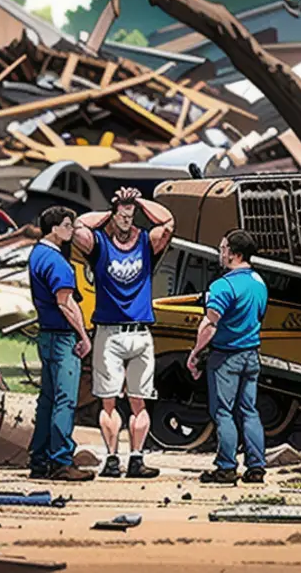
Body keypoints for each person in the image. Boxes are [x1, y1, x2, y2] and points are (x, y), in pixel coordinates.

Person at [73, 186, 175, 479]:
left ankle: (137, 458)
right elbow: (78, 225)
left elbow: (167, 223)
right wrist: (112, 208)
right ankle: (112, 457)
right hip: (108, 331)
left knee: (139, 400)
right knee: (108, 401)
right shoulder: (100, 244)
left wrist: (139, 201)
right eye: (122, 217)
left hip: (141, 331)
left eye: (130, 217)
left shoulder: (146, 242)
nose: (126, 222)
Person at [187, 229, 268, 485]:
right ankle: (256, 468)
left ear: (234, 254)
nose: (220, 253)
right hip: (251, 355)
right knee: (249, 411)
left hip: (226, 357)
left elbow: (210, 324)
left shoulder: (223, 285)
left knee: (223, 412)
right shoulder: (259, 281)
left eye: (223, 249)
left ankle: (226, 467)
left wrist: (195, 352)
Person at [27, 206, 95, 482]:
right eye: (68, 225)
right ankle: (61, 460)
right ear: (54, 229)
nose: (72, 230)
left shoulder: (36, 255)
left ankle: (39, 458)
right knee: (65, 401)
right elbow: (66, 303)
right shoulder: (57, 262)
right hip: (63, 336)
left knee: (48, 400)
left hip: (46, 334)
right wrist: (83, 335)